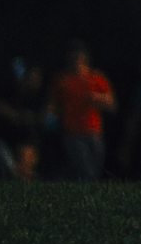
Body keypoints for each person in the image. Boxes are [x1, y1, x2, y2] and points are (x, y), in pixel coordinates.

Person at [44, 45, 114, 181]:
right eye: (73, 55)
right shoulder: (62, 79)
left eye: (79, 55)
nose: (76, 59)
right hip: (72, 132)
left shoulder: (96, 77)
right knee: (84, 168)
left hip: (94, 132)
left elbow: (111, 104)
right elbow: (52, 103)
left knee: (95, 170)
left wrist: (96, 97)